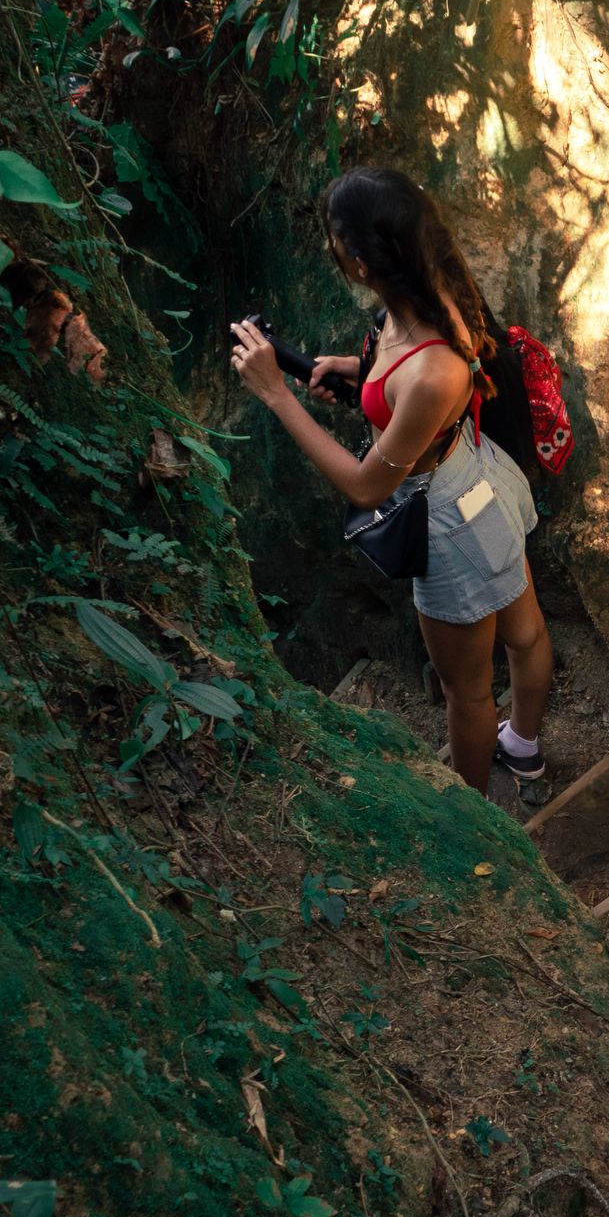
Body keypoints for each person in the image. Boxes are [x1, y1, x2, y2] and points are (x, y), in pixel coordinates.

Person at [229, 165, 552, 796]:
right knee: (525, 631)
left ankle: (472, 820)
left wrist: (276, 394)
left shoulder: (432, 373)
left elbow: (366, 487)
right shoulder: (434, 290)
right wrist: (357, 370)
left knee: (466, 690)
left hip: (453, 521)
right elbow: (409, 373)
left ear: (359, 263)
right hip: (481, 481)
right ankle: (524, 747)